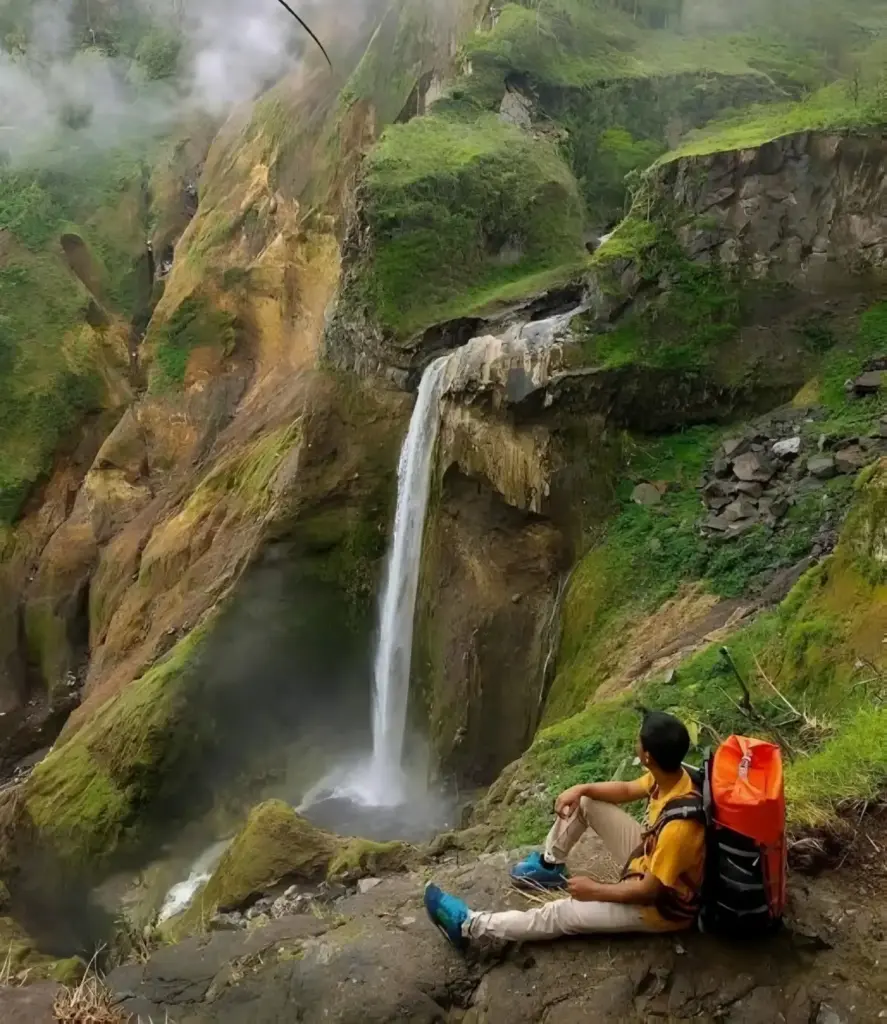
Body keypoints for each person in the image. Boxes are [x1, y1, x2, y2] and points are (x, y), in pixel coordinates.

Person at [425, 710, 705, 949]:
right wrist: (581, 788)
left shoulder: (679, 830)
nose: (636, 742)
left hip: (660, 907)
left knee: (560, 914)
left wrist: (594, 890)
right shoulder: (674, 777)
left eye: (638, 741)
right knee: (586, 802)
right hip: (647, 858)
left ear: (648, 757)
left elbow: (649, 892)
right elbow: (628, 789)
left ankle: (469, 926)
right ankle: (550, 866)